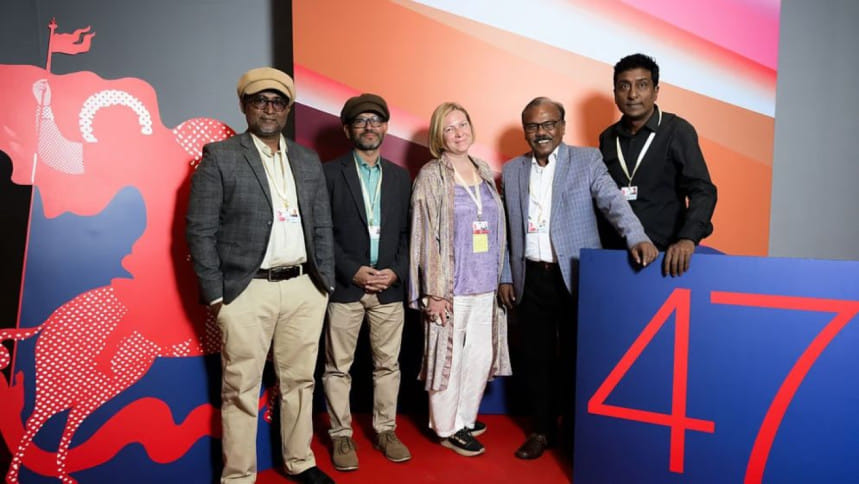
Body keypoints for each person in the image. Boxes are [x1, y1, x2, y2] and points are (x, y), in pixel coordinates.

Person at [186, 67, 335, 484]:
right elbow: (199, 229)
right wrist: (217, 296)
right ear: (244, 106)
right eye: (259, 101)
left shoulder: (307, 159)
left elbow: (322, 224)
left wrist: (323, 285)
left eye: (277, 102)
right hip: (247, 291)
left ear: (287, 109)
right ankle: (239, 476)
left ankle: (300, 460)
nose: (269, 109)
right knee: (241, 388)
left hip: (304, 288)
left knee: (300, 381)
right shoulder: (221, 156)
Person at [498, 97, 657, 460]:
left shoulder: (586, 160)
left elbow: (613, 202)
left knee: (576, 357)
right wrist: (506, 274)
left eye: (549, 124)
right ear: (525, 131)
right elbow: (506, 229)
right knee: (536, 359)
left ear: (562, 126)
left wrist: (636, 236)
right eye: (533, 126)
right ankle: (541, 430)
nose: (541, 132)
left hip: (573, 275)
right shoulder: (512, 170)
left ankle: (574, 431)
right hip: (530, 277)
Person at [409, 102, 511, 457]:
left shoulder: (482, 169)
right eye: (449, 128)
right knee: (448, 360)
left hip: (485, 286)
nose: (458, 133)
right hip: (450, 288)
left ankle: (464, 419)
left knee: (479, 357)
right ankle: (445, 426)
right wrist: (434, 291)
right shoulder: (431, 176)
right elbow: (424, 236)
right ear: (439, 136)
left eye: (462, 124)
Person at [321, 94, 412, 471]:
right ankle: (340, 435)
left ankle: (386, 430)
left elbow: (409, 233)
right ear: (347, 130)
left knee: (388, 366)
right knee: (337, 367)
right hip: (347, 287)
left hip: (389, 287)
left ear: (386, 127)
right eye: (360, 121)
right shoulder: (329, 174)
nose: (369, 126)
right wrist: (351, 270)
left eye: (376, 120)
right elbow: (321, 233)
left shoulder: (401, 177)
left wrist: (397, 271)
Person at [598, 53, 717, 277]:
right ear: (615, 93)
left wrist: (688, 239)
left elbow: (703, 190)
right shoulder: (607, 138)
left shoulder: (677, 131)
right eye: (624, 86)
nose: (632, 94)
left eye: (642, 85)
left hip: (667, 259)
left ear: (656, 91)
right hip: (616, 258)